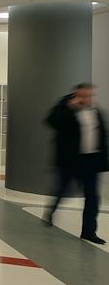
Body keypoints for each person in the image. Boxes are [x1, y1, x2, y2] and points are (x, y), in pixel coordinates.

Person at [43, 83, 107, 244]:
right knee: (62, 189)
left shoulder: (96, 111)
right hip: (70, 161)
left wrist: (104, 160)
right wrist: (69, 108)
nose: (86, 99)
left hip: (91, 161)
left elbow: (102, 136)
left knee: (92, 197)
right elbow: (51, 121)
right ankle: (50, 211)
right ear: (75, 95)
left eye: (89, 95)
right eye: (83, 95)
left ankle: (88, 232)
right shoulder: (65, 107)